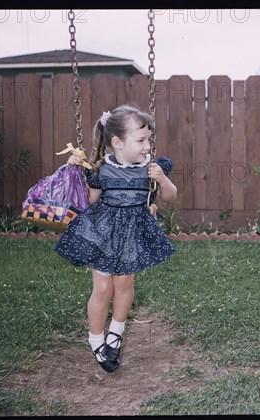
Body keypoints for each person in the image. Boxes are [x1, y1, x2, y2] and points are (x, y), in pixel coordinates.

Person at [55, 105, 177, 372]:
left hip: (133, 233)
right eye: (141, 140)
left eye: (149, 140)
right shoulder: (101, 170)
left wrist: (163, 180)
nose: (147, 146)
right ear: (117, 142)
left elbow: (168, 198)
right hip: (103, 233)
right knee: (102, 288)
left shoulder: (151, 169)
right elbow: (88, 201)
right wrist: (73, 171)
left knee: (124, 283)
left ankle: (116, 333)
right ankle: (96, 338)